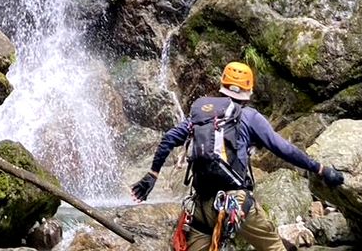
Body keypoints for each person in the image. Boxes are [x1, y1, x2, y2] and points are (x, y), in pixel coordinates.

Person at [131, 62, 343, 251]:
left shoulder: (202, 114)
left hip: (202, 205)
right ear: (249, 91)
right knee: (274, 247)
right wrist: (320, 169)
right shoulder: (249, 116)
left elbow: (169, 138)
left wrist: (152, 175)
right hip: (235, 204)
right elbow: (283, 149)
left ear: (222, 85)